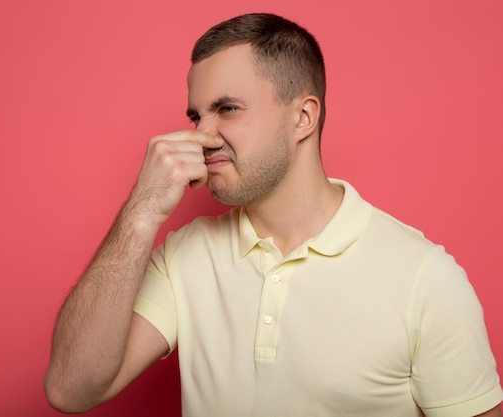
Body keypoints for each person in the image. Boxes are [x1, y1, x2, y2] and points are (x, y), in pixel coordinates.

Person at [44, 13, 502, 416]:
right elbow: (71, 389)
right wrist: (141, 212)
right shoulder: (185, 254)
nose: (202, 136)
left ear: (303, 117)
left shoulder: (425, 278)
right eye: (196, 116)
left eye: (227, 109)